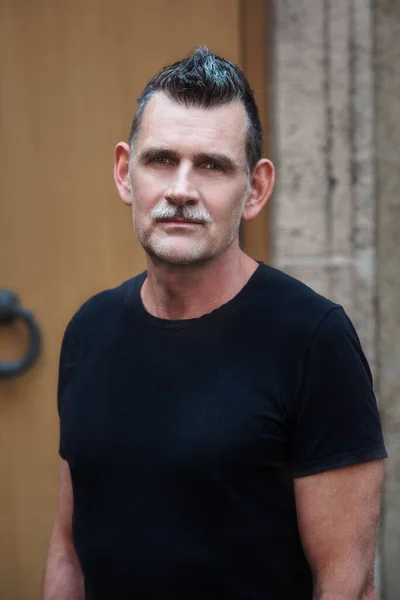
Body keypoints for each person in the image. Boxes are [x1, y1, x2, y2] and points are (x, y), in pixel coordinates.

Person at [43, 47, 387, 600]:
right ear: (124, 172)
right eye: (160, 160)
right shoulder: (89, 329)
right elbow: (68, 549)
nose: (181, 189)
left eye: (211, 165)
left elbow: (348, 583)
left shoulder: (312, 338)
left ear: (255, 189)